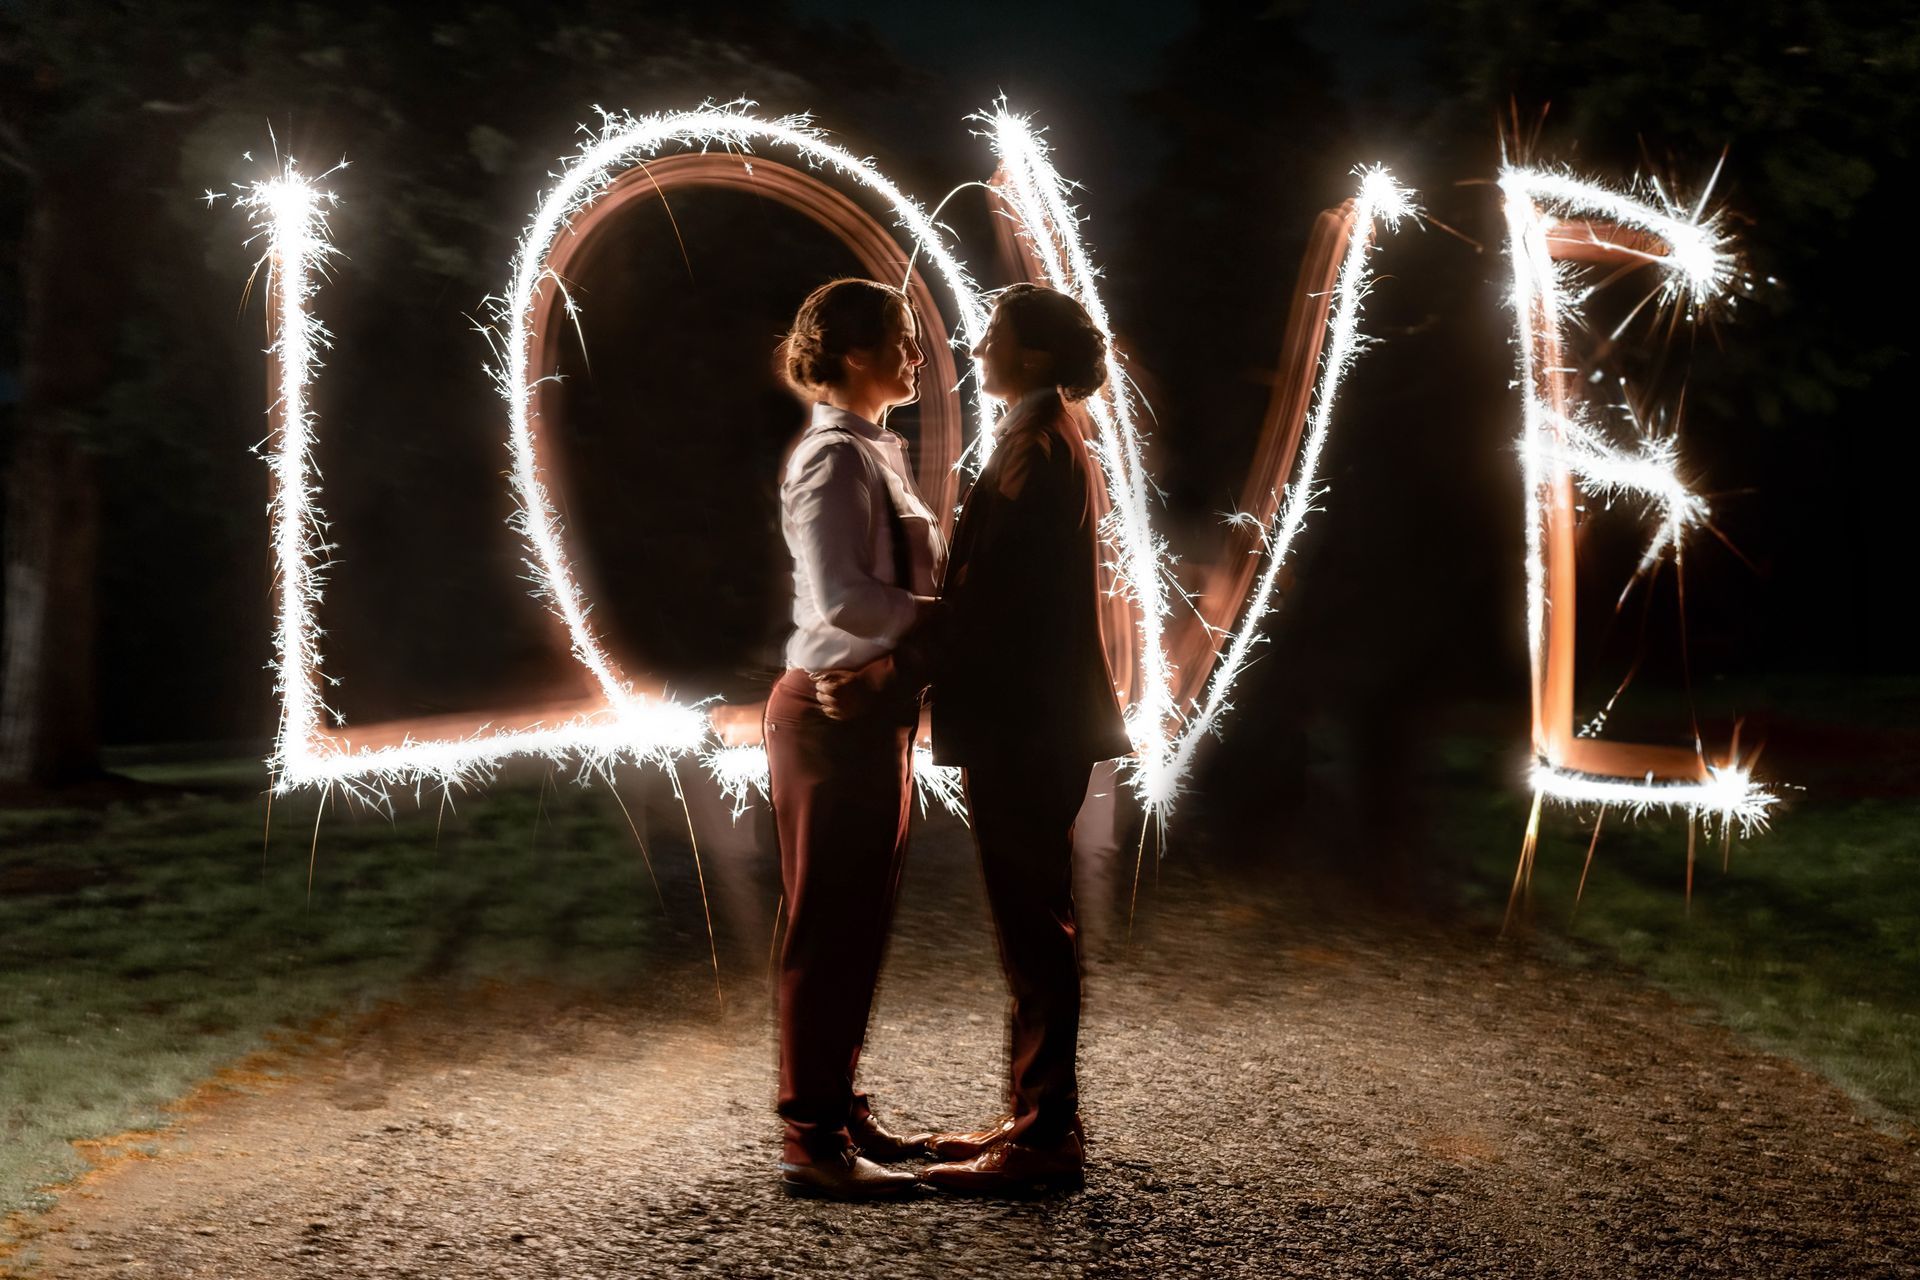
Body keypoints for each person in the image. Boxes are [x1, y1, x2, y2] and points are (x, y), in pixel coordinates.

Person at [920, 284, 1131, 1194]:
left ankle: (1045, 1141)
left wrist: (899, 653)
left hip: (1027, 723)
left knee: (1035, 925)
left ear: (1037, 358)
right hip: (1035, 719)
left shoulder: (1036, 450)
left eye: (997, 335)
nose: (979, 344)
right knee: (1032, 921)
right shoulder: (1038, 437)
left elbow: (993, 599)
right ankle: (1036, 1118)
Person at [763, 278, 946, 1199]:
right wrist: (945, 619)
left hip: (873, 710)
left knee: (858, 919)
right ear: (852, 352)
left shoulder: (875, 449)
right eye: (901, 340)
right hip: (830, 714)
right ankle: (811, 1140)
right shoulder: (833, 458)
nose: (916, 355)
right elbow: (842, 600)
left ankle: (836, 1105)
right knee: (827, 921)